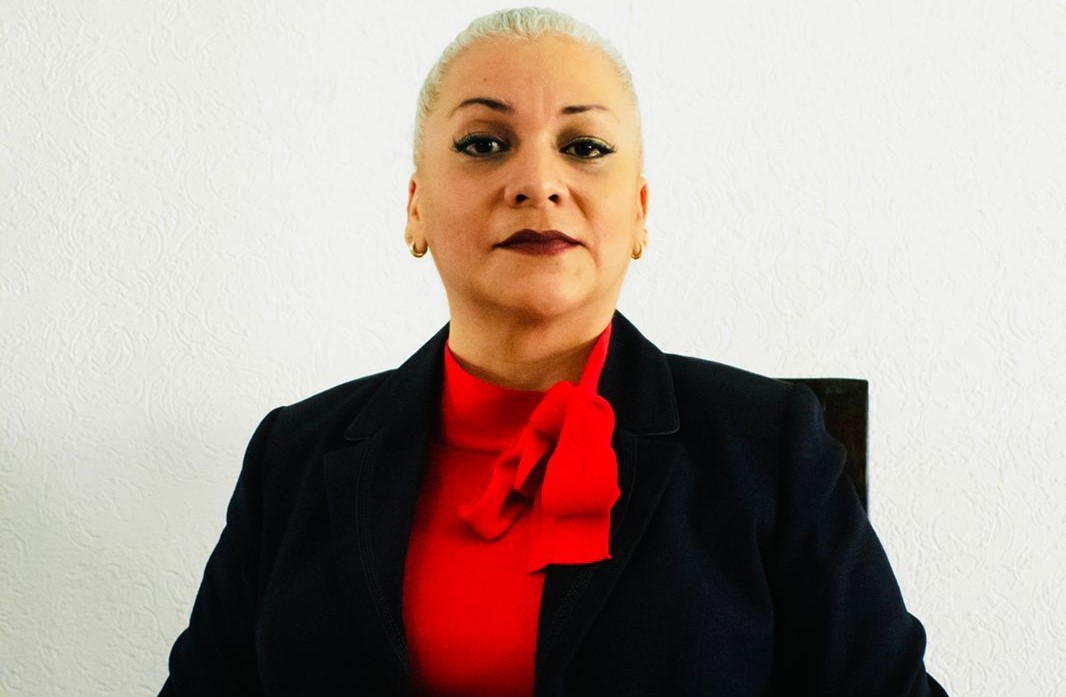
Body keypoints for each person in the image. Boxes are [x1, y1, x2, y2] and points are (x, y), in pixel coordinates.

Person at [160, 7, 948, 696]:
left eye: (586, 147)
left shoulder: (772, 447)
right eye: (484, 142)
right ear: (415, 207)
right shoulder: (292, 455)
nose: (538, 181)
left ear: (639, 214)